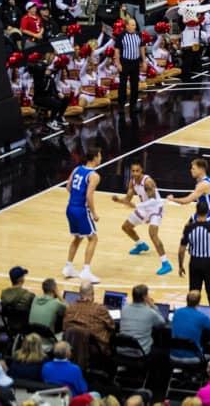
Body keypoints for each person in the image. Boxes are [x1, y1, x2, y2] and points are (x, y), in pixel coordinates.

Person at [112, 161, 171, 275]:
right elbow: (128, 201)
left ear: (141, 170)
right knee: (126, 227)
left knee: (153, 234)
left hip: (155, 208)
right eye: (133, 171)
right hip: (144, 208)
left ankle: (166, 263)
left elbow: (153, 200)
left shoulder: (148, 182)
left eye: (137, 171)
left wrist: (137, 205)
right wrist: (118, 200)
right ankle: (140, 245)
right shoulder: (132, 182)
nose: (135, 173)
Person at [63, 148, 102, 283]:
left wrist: (76, 198)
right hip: (81, 210)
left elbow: (68, 187)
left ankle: (68, 267)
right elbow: (89, 196)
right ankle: (86, 271)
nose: (100, 158)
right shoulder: (94, 176)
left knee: (78, 237)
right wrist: (94, 213)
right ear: (95, 157)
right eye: (100, 155)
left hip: (70, 208)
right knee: (93, 238)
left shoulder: (77, 169)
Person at [178, 201, 210, 306]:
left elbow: (181, 250)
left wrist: (180, 265)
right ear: (208, 212)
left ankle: (191, 318)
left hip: (194, 263)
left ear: (196, 211)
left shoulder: (188, 228)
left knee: (193, 295)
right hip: (209, 263)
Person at [62, 281, 115, 351]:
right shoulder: (100, 309)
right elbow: (112, 327)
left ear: (79, 294)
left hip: (72, 350)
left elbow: (64, 329)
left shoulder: (69, 309)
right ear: (93, 294)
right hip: (94, 353)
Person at [168, 157, 210, 225]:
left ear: (201, 169)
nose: (191, 170)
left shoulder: (203, 185)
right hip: (202, 212)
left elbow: (186, 201)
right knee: (187, 228)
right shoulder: (202, 179)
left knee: (199, 232)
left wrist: (172, 199)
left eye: (193, 168)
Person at [119, 284, 165, 355]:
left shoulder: (124, 309)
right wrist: (153, 306)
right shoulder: (150, 312)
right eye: (147, 295)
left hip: (121, 351)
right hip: (139, 353)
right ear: (144, 297)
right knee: (161, 351)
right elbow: (162, 323)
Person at [172, 290, 210, 355]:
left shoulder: (177, 312)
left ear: (187, 300)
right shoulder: (202, 317)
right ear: (198, 302)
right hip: (193, 358)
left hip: (173, 356)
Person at [114, 19, 147, 113]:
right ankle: (121, 105)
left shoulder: (138, 34)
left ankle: (133, 105)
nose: (134, 27)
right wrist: (118, 63)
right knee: (123, 85)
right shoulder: (121, 36)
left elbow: (142, 48)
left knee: (135, 84)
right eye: (132, 25)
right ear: (127, 26)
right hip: (125, 62)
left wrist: (144, 61)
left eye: (135, 25)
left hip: (135, 62)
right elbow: (117, 50)